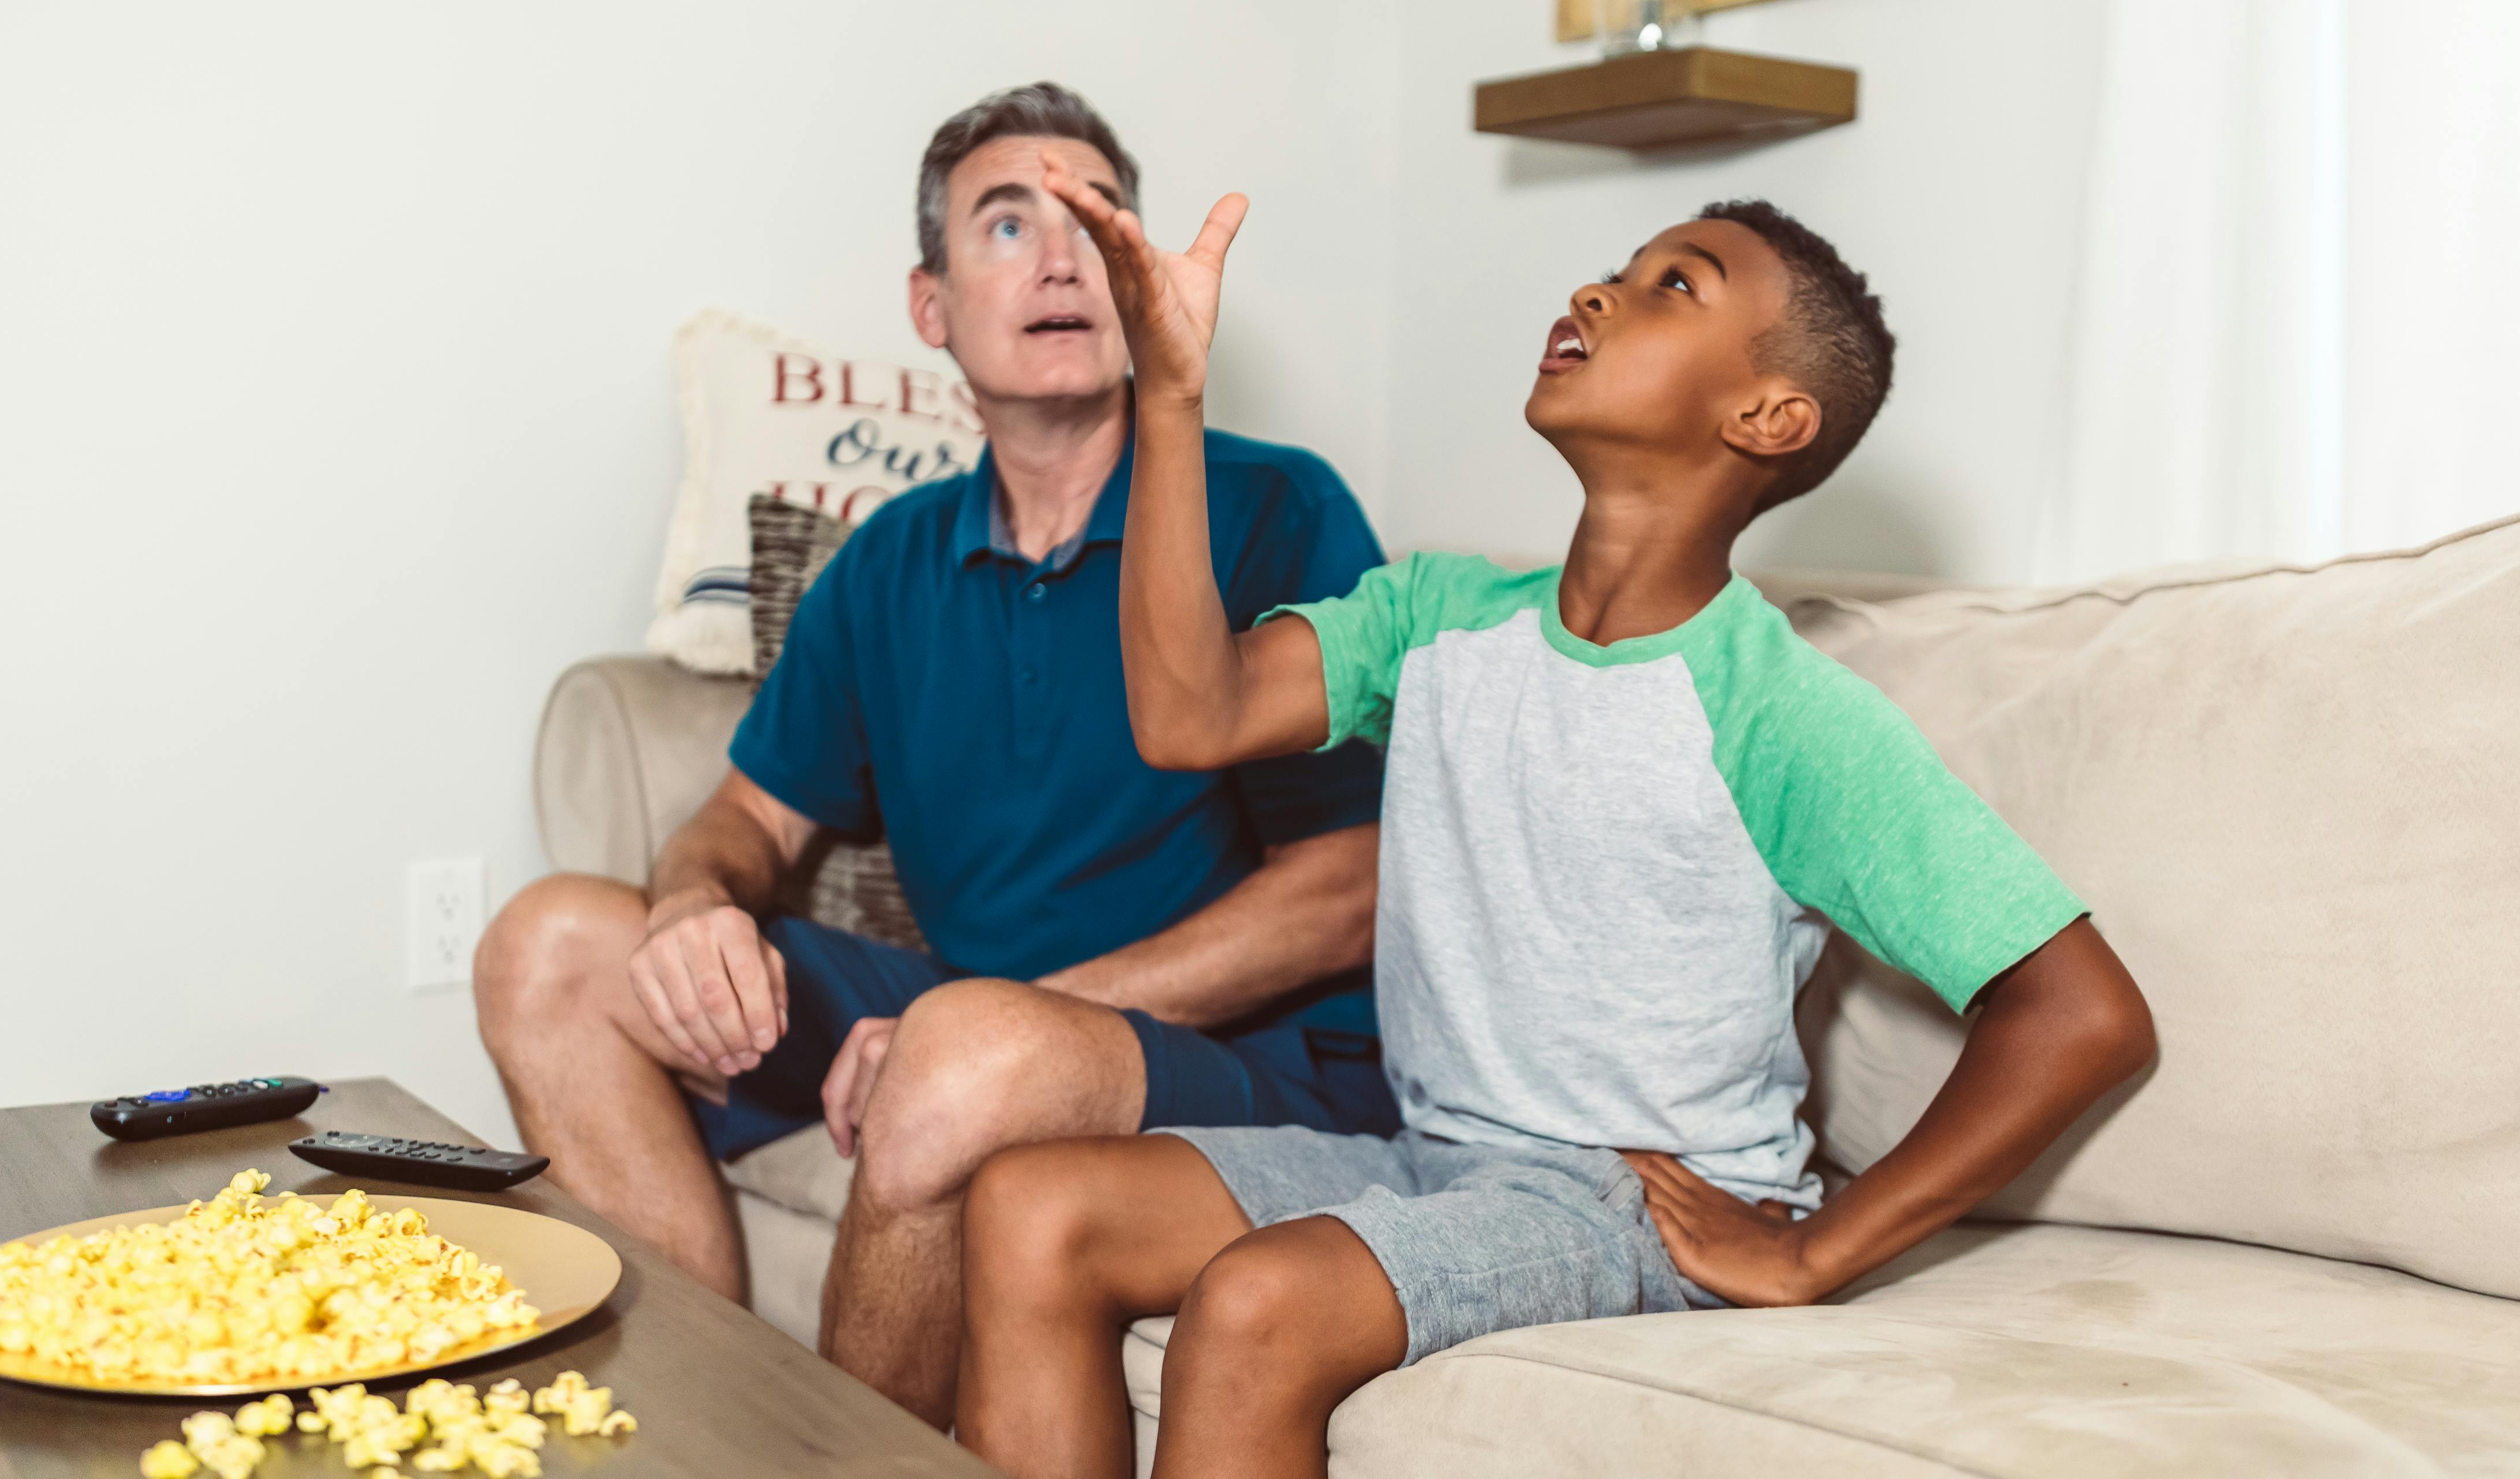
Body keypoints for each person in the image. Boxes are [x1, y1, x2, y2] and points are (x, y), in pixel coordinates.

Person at [951, 164, 2159, 1479]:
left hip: (1627, 1199)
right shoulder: (1442, 615)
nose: (1599, 290)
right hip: (1429, 1157)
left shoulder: (1783, 716)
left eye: (1671, 288)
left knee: (1260, 1302)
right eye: (1620, 268)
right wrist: (1172, 399)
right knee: (1029, 1204)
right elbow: (1191, 716)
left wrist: (1821, 1247)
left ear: (1765, 415)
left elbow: (2083, 1011)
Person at [472, 82, 1398, 1429]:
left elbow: (1352, 885)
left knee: (964, 1051)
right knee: (547, 942)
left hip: (1258, 1065)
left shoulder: (1274, 506)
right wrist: (692, 908)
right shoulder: (890, 560)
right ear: (933, 310)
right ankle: (689, 1433)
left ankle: (824, 1468)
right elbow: (746, 821)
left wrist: (1006, 1027)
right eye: (1007, 225)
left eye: (1097, 220)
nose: (1064, 256)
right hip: (973, 1024)